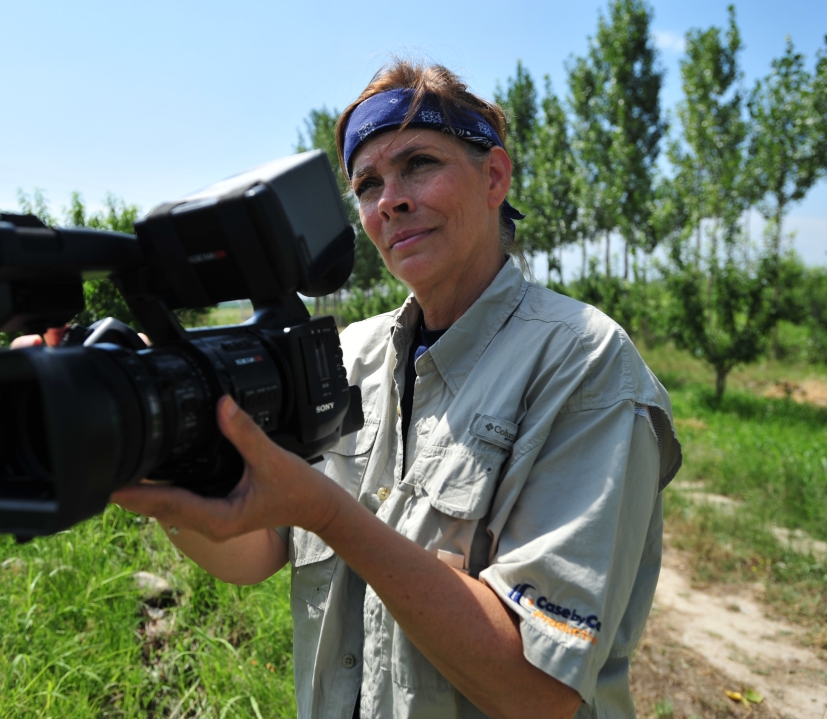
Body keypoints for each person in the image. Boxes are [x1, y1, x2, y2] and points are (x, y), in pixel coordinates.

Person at [107, 60, 681, 719]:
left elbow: (538, 690)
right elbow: (257, 548)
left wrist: (329, 512)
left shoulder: (583, 361)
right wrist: (151, 462)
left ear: (494, 176)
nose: (391, 200)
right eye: (368, 183)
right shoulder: (347, 355)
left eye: (419, 164)